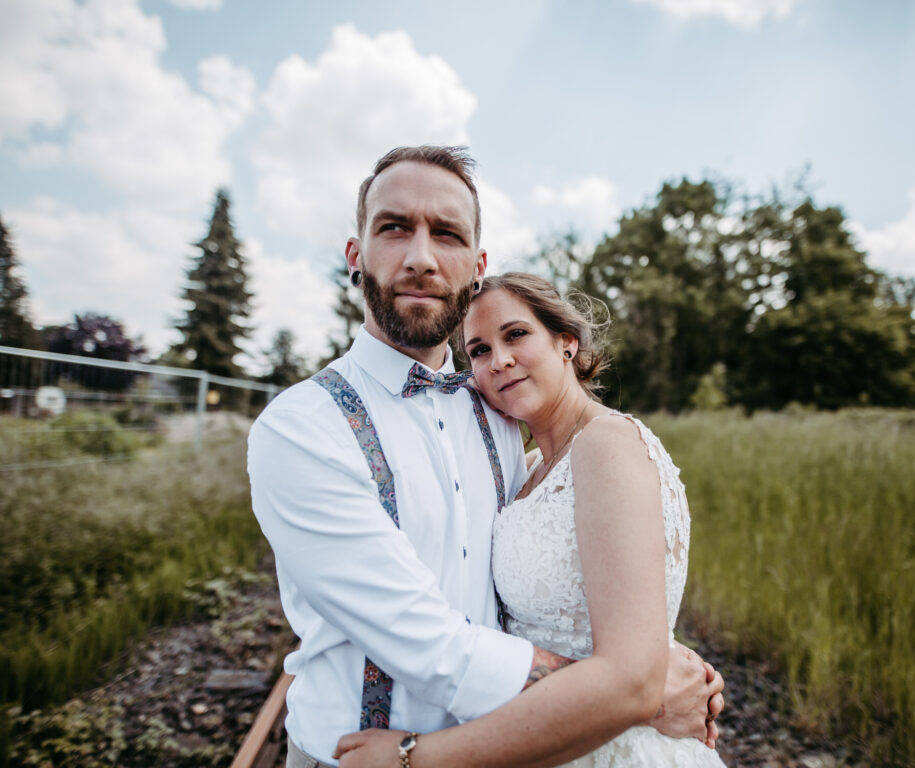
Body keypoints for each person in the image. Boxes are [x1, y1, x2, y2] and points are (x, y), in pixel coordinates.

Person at [248, 145, 724, 768]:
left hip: (517, 745)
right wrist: (637, 694)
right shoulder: (303, 426)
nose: (421, 258)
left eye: (446, 234)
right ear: (356, 254)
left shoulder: (498, 418)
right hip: (364, 756)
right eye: (395, 228)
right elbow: (421, 637)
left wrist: (629, 678)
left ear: (476, 267)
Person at [332, 272, 727, 767]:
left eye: (516, 335)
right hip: (544, 733)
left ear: (566, 342)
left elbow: (631, 670)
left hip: (613, 746)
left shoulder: (607, 445)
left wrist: (413, 758)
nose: (499, 360)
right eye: (479, 350)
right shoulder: (531, 467)